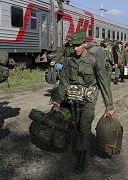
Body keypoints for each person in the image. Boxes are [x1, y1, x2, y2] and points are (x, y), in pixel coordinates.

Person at [51, 31, 115, 174]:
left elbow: (104, 83)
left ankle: (81, 157)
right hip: (73, 100)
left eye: (78, 45)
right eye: (73, 46)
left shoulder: (94, 60)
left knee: (85, 126)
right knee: (77, 125)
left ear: (85, 44)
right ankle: (80, 143)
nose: (75, 49)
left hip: (88, 101)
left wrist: (109, 106)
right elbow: (64, 82)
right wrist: (58, 101)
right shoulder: (69, 61)